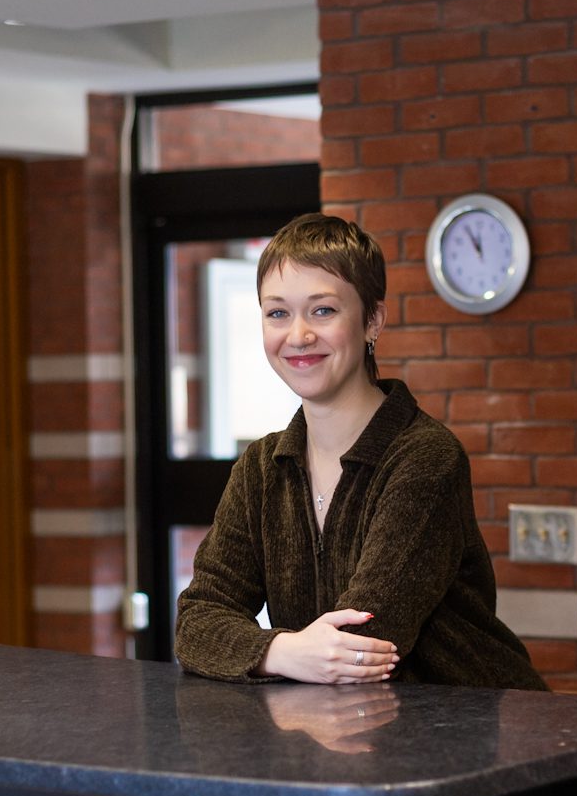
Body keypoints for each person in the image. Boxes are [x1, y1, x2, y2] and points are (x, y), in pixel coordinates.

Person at [175, 213, 547, 692]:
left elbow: (364, 643)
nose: (298, 335)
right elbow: (196, 623)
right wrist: (281, 650)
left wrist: (261, 648)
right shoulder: (262, 469)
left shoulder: (425, 458)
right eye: (277, 313)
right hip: (339, 731)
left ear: (373, 320)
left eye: (323, 310)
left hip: (463, 733)